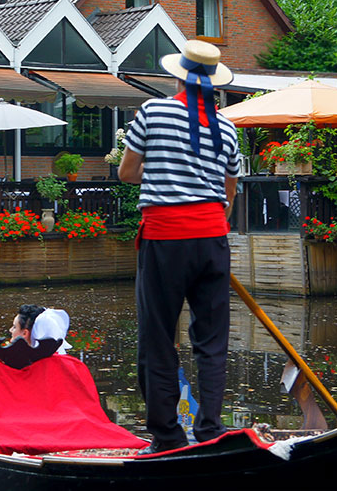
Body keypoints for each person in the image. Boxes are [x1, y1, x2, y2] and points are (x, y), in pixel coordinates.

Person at [118, 39, 240, 454]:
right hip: (212, 240)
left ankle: (167, 436)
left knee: (157, 338)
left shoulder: (152, 112)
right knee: (212, 341)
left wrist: (160, 170)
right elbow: (229, 192)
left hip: (165, 239)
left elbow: (127, 172)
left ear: (179, 77)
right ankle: (210, 430)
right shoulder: (228, 128)